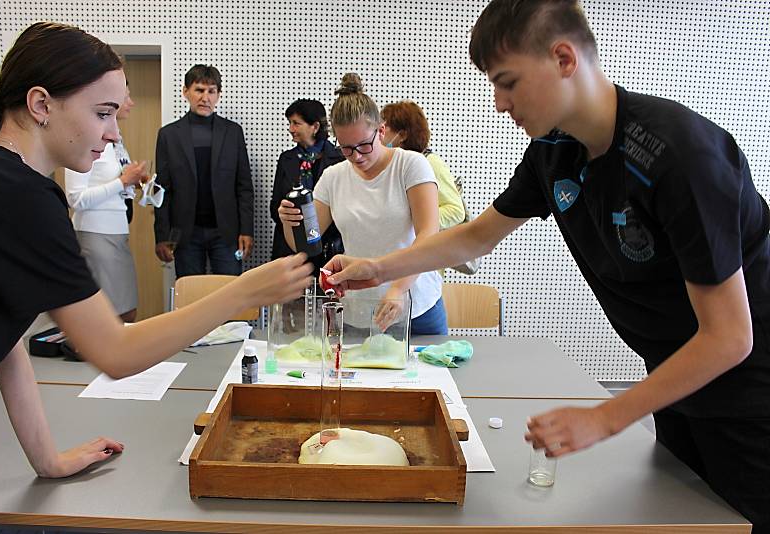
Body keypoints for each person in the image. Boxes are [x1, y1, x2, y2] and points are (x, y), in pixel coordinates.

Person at [323, 1, 770, 531]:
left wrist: (606, 415)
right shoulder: (553, 151)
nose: (498, 103)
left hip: (749, 392)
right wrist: (378, 266)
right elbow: (474, 236)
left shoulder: (680, 154)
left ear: (562, 58)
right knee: (684, 515)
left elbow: (729, 337)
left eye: (508, 82)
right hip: (676, 378)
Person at [0, 22, 312, 479]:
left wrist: (47, 460)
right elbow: (116, 351)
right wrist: (242, 293)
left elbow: (6, 333)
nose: (113, 133)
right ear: (40, 104)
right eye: (103, 113)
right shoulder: (15, 191)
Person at [278, 73, 447, 335]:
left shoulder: (410, 166)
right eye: (346, 148)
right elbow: (305, 243)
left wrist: (398, 289)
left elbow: (428, 234)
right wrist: (292, 223)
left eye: (364, 145)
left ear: (380, 131)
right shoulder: (334, 177)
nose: (356, 156)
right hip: (358, 311)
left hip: (415, 305)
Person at [154, 64, 254, 278]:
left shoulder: (233, 132)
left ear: (219, 94)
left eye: (211, 91)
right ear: (185, 91)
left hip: (226, 232)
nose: (205, 97)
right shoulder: (168, 135)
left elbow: (244, 186)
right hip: (184, 233)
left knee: (230, 294)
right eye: (199, 90)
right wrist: (162, 235)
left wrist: (246, 230)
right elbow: (162, 190)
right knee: (190, 298)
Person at [64, 80, 147, 322]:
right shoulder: (86, 139)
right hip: (96, 234)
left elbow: (118, 183)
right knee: (111, 317)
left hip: (117, 232)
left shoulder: (115, 142)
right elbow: (75, 198)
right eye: (126, 97)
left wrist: (134, 181)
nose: (131, 103)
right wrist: (122, 182)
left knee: (127, 311)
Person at [270, 98, 344, 268]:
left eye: (296, 123)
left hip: (326, 250)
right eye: (290, 123)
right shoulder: (286, 159)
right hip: (289, 249)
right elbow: (275, 205)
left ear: (315, 127)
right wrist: (288, 216)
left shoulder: (338, 159)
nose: (290, 129)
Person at [380, 100, 464, 230]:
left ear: (402, 135)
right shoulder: (394, 164)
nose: (380, 134)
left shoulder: (430, 163)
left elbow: (456, 211)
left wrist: (419, 221)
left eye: (385, 128)